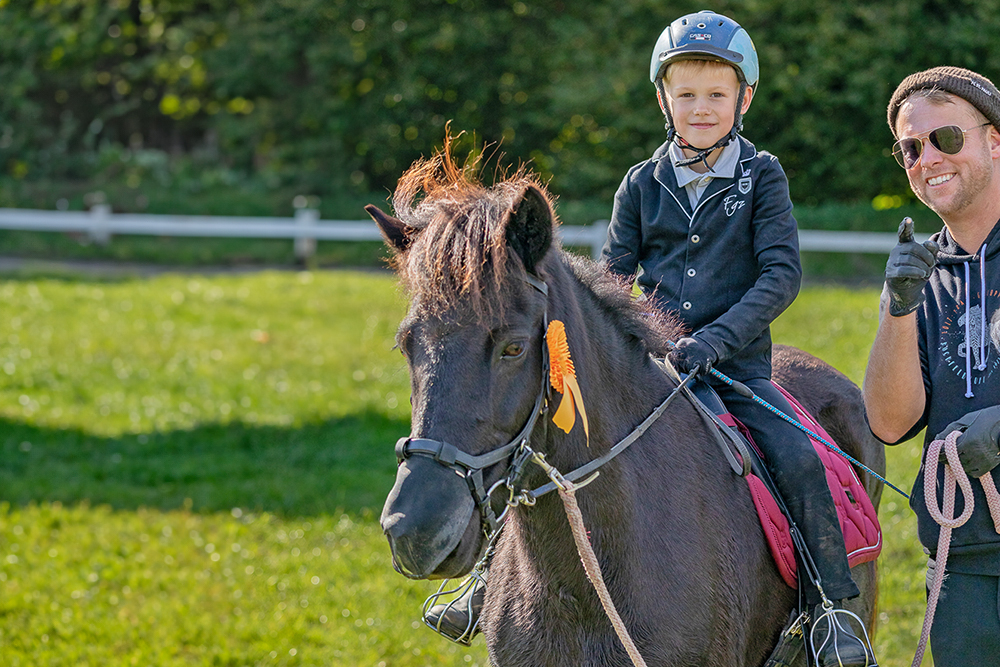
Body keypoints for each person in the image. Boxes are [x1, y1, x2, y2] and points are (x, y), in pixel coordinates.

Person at [600, 10, 875, 667]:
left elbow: (782, 275)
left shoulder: (763, 176)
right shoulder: (641, 183)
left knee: (802, 457)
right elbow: (613, 276)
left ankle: (834, 611)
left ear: (743, 98)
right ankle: (488, 575)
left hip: (739, 372)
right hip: (656, 373)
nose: (700, 108)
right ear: (663, 98)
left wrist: (716, 341)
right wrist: (640, 337)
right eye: (686, 94)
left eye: (716, 94)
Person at [864, 65, 1000, 667]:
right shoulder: (921, 270)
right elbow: (890, 423)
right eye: (910, 148)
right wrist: (897, 308)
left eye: (946, 139)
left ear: (994, 140)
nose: (927, 159)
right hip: (961, 561)